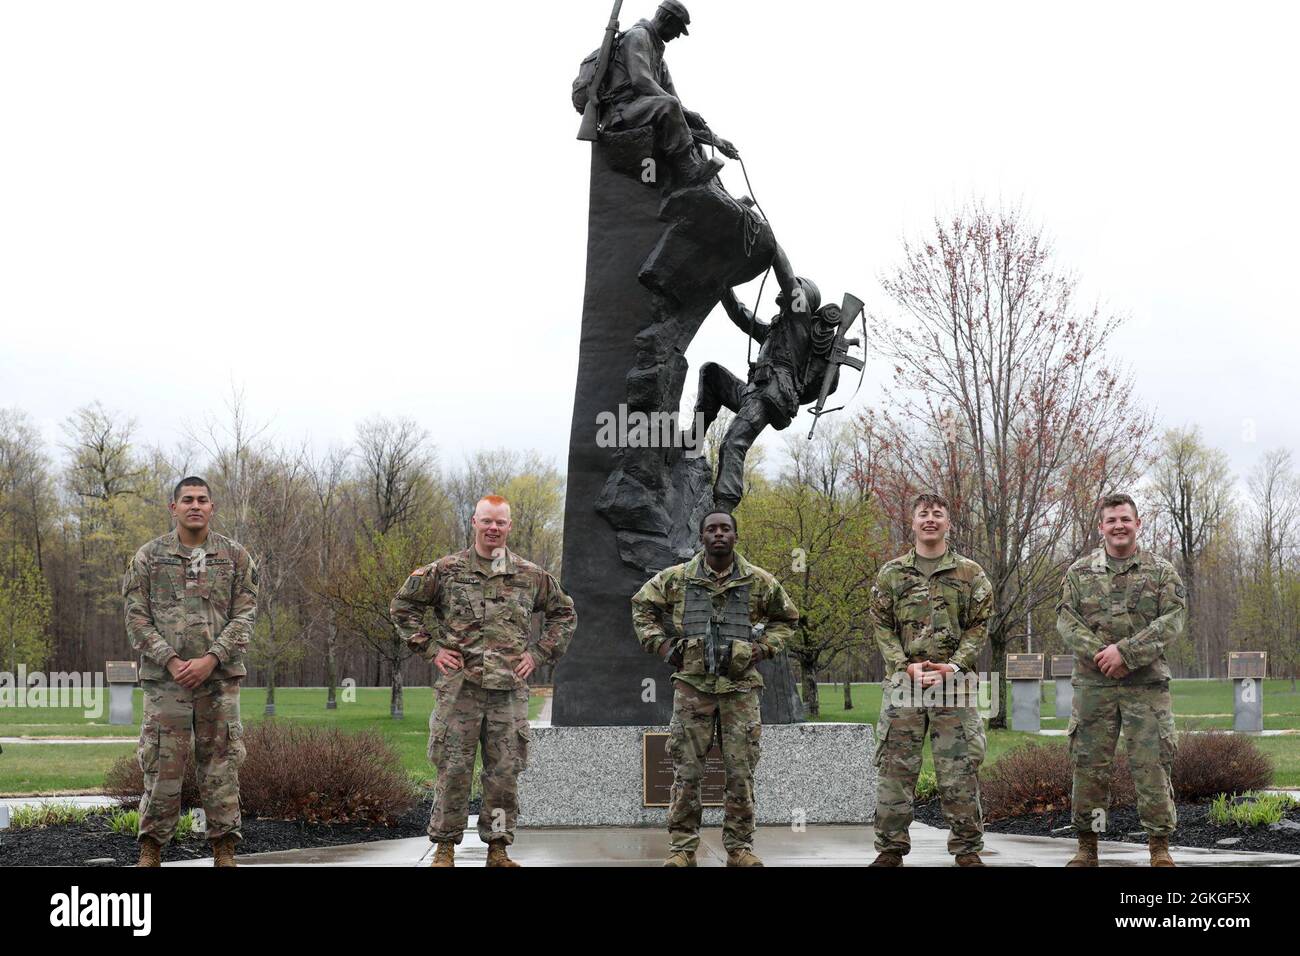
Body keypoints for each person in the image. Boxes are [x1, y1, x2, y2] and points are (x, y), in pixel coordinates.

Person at [391, 494, 576, 867]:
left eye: (501, 522)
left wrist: (538, 654)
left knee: (504, 773)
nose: (493, 528)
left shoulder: (529, 575)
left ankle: (498, 848)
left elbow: (564, 613)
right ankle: (444, 847)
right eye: (487, 521)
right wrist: (431, 650)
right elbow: (402, 607)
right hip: (460, 690)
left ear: (510, 527)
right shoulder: (445, 571)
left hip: (508, 692)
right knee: (453, 769)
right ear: (473, 522)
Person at [631, 509, 800, 866]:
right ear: (702, 536)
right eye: (712, 529)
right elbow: (641, 607)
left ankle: (739, 848)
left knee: (740, 772)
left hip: (740, 690)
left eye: (725, 529)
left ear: (735, 536)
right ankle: (682, 849)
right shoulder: (676, 579)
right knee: (687, 771)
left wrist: (761, 648)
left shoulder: (759, 581)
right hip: (693, 688)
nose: (719, 534)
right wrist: (663, 647)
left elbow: (787, 619)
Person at [122, 476, 257, 867]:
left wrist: (211, 659)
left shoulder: (235, 557)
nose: (194, 505)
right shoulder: (148, 557)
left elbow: (245, 616)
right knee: (162, 765)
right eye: (187, 500)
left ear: (212, 507)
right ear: (173, 507)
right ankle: (151, 849)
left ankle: (224, 850)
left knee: (222, 765)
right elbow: (136, 618)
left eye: (202, 500)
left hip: (218, 680)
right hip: (167, 682)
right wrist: (171, 660)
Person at [1056, 492, 1186, 867]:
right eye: (1111, 520)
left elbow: (1172, 619)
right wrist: (1103, 654)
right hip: (1095, 686)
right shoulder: (1079, 573)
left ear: (1137, 523)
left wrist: (1126, 654)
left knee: (1152, 765)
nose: (1118, 526)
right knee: (1090, 767)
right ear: (1101, 527)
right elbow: (1066, 620)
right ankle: (1088, 847)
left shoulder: (1161, 572)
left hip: (1145, 687)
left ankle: (1159, 848)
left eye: (1125, 519)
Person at [869, 493, 992, 867]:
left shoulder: (970, 573)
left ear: (948, 523)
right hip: (905, 684)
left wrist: (955, 665)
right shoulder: (892, 573)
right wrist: (902, 664)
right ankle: (890, 851)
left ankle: (967, 850)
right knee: (895, 768)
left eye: (938, 514)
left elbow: (979, 624)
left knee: (959, 769)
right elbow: (881, 624)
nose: (930, 520)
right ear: (913, 522)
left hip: (953, 686)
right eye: (923, 514)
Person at [694, 273, 843, 511]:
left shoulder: (800, 324)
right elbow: (741, 315)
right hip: (751, 391)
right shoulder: (776, 327)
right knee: (710, 372)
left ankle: (724, 505)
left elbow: (787, 280)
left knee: (733, 442)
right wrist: (723, 284)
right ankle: (694, 438)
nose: (786, 286)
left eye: (796, 285)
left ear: (802, 299)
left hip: (771, 395)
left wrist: (773, 253)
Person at [599, 2, 739, 188]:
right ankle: (689, 172)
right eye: (678, 29)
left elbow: (676, 101)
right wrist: (682, 111)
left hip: (643, 112)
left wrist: (716, 139)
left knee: (694, 140)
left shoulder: (659, 58)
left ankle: (715, 189)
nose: (678, 35)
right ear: (666, 19)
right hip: (621, 113)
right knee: (669, 106)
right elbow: (641, 82)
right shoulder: (637, 36)